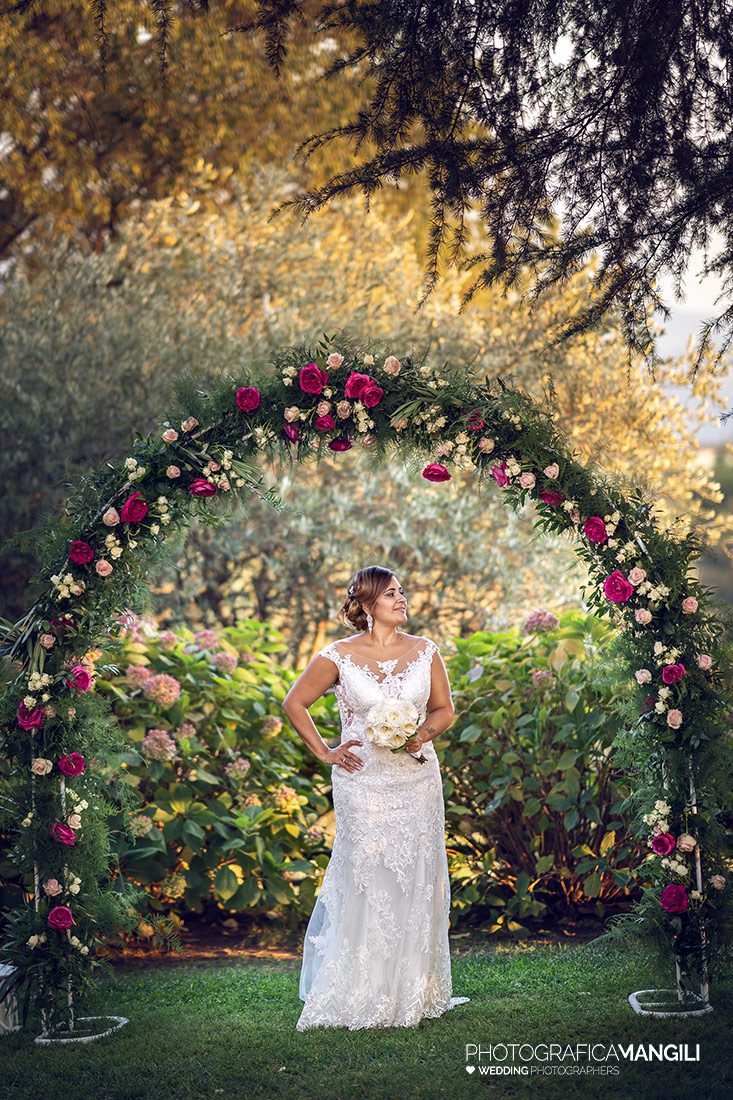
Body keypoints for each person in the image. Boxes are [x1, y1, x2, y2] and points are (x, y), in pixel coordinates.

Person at [283, 564, 470, 1030]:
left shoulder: (426, 651)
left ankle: (412, 986)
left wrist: (419, 734)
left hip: (416, 780)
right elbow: (294, 703)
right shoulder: (339, 656)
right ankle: (362, 986)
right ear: (367, 605)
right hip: (361, 780)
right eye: (391, 594)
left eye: (402, 592)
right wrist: (325, 752)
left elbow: (445, 710)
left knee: (414, 875)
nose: (401, 599)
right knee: (369, 875)